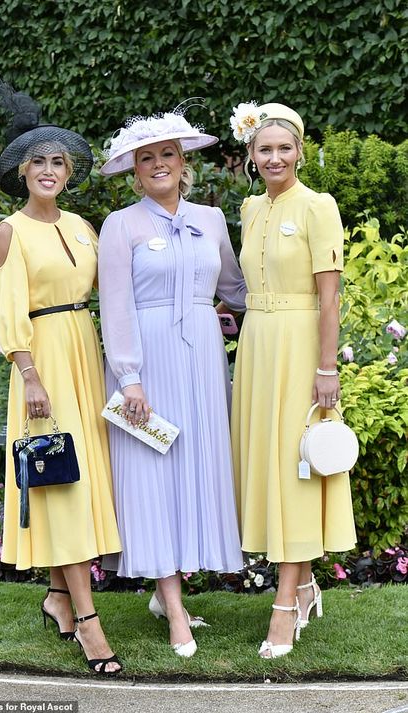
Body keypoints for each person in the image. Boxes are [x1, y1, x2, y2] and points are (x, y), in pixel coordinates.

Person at [98, 106, 247, 657]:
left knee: (196, 466)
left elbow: (234, 286)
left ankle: (171, 596)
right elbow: (114, 306)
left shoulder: (210, 218)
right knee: (156, 471)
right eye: (146, 158)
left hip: (204, 361)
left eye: (167, 153)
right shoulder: (122, 225)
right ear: (134, 172)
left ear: (183, 162)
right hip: (148, 363)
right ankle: (174, 607)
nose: (158, 163)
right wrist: (129, 377)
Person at [0, 85, 122, 675]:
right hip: (41, 361)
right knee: (61, 479)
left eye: (58, 162)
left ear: (69, 173)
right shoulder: (9, 232)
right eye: (38, 161)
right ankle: (90, 623)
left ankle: (59, 597)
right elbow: (7, 309)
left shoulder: (85, 227)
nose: (48, 170)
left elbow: (111, 291)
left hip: (83, 355)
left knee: (77, 474)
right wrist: (29, 373)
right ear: (23, 171)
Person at [229, 101, 357, 658]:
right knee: (272, 468)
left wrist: (326, 368)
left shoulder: (317, 206)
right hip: (257, 345)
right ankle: (304, 586)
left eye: (285, 148)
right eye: (265, 149)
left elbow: (329, 298)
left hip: (303, 345)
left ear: (300, 151)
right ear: (251, 155)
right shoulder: (249, 207)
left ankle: (286, 604)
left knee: (297, 471)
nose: (275, 157)